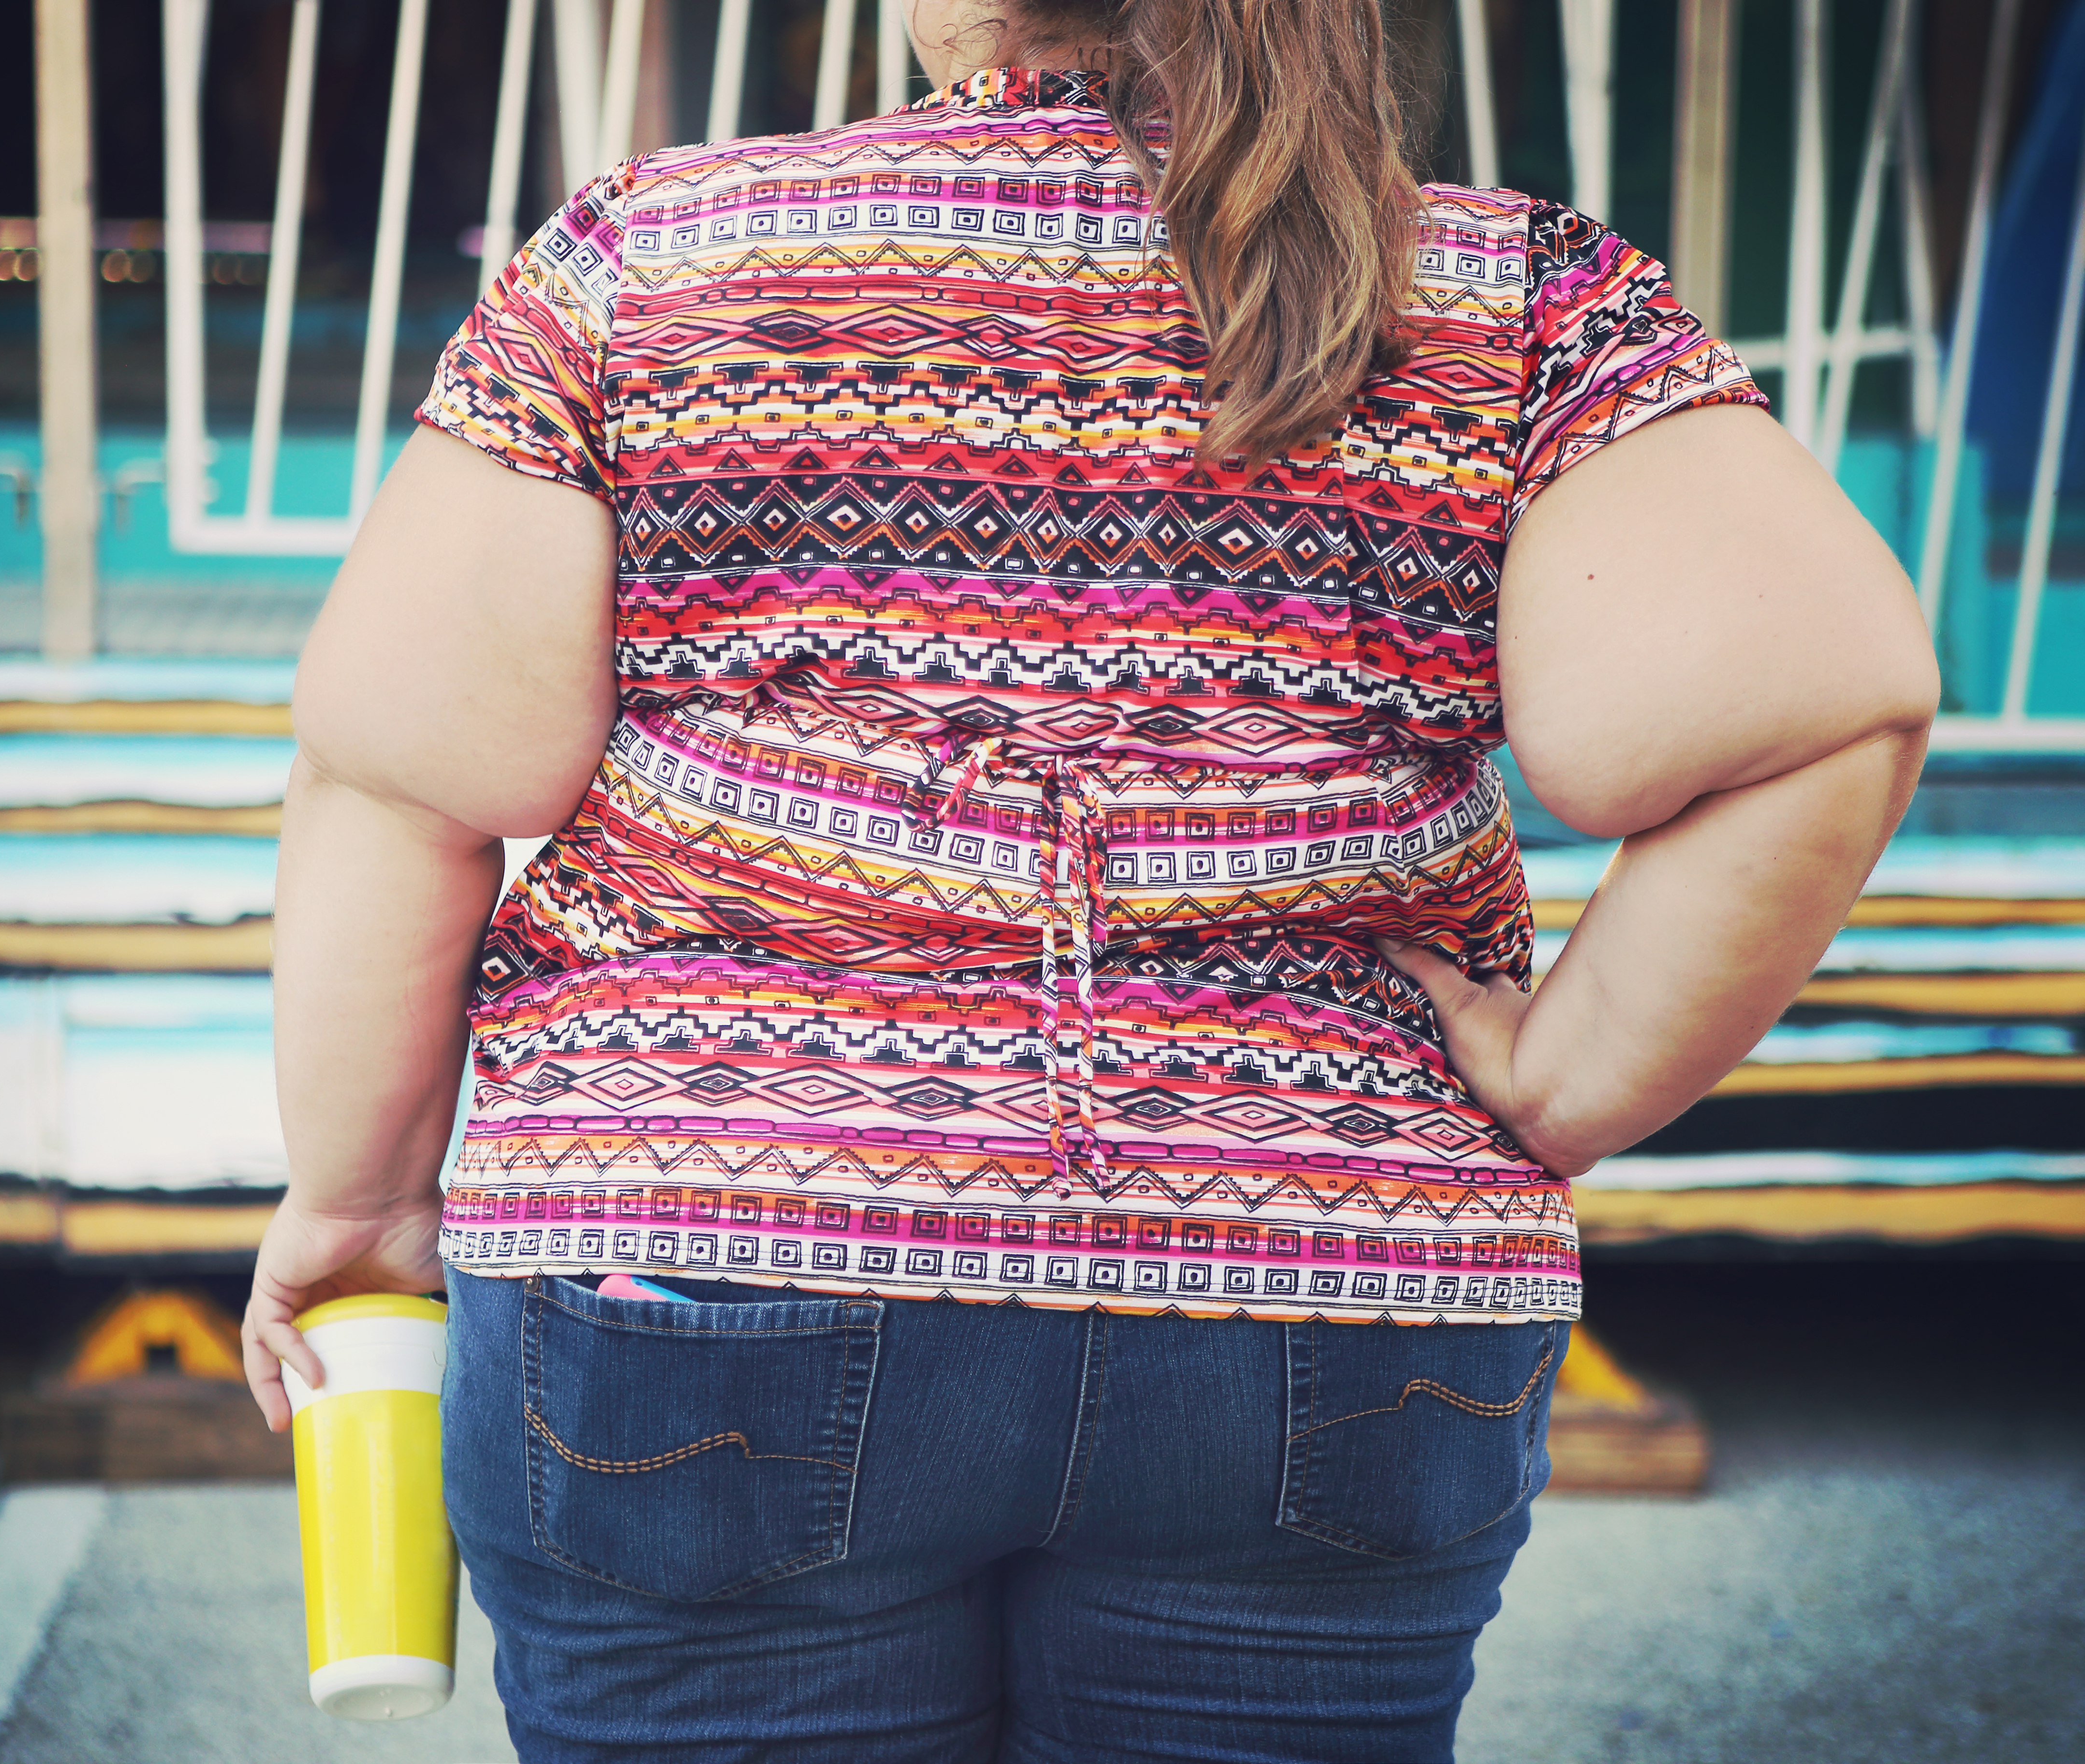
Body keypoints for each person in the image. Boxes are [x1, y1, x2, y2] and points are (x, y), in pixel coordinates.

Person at [241, 0, 1937, 1756]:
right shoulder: (1521, 305)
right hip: (1328, 1290)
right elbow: (1830, 703)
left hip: (693, 1283)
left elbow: (398, 779)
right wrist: (1578, 1076)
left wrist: (359, 1203)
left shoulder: (647, 263)